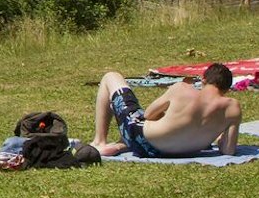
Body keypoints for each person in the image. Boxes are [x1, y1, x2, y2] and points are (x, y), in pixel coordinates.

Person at [90, 64, 241, 158]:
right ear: (226, 89)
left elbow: (148, 114)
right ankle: (120, 145)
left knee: (111, 77)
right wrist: (221, 139)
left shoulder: (182, 89)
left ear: (203, 81)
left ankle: (99, 141)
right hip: (187, 151)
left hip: (144, 141)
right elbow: (228, 150)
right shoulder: (232, 108)